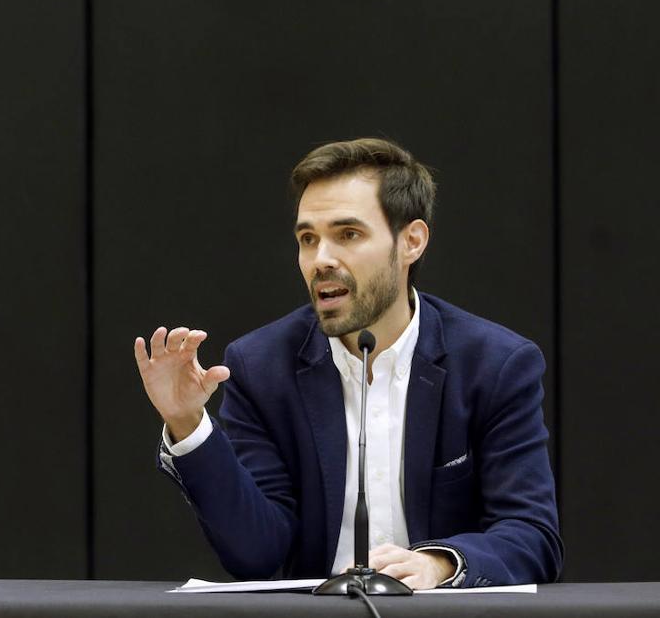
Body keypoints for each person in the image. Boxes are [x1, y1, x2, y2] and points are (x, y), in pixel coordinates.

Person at [133, 137, 562, 589]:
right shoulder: (261, 366)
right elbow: (255, 555)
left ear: (411, 241)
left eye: (348, 235)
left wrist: (438, 564)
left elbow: (532, 535)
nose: (320, 260)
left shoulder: (494, 365)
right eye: (307, 238)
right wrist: (187, 423)